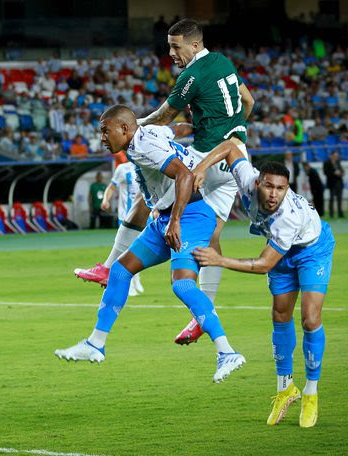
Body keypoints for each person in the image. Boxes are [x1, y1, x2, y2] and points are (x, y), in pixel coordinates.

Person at [74, 18, 255, 344]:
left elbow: (163, 116)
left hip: (208, 158)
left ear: (195, 45)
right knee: (210, 238)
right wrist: (232, 131)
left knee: (154, 194)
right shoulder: (224, 63)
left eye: (176, 46)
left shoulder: (192, 74)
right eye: (169, 46)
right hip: (235, 156)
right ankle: (203, 315)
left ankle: (110, 264)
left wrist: (130, 128)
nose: (170, 53)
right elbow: (249, 102)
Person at [55, 105, 245, 384]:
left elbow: (185, 175)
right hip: (168, 216)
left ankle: (227, 352)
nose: (102, 138)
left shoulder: (144, 147)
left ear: (124, 129)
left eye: (105, 131)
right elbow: (175, 129)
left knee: (182, 285)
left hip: (190, 216)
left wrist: (176, 221)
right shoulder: (149, 132)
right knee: (120, 272)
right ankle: (95, 343)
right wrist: (192, 131)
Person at [190, 143, 334, 428]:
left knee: (309, 319)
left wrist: (220, 260)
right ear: (257, 182)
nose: (273, 194)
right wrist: (200, 168)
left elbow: (264, 264)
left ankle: (310, 392)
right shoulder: (246, 178)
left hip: (312, 250)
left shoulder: (287, 217)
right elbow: (231, 147)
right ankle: (285, 389)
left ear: (287, 189)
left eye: (281, 189)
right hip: (279, 250)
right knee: (280, 316)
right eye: (269, 187)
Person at [97, 160, 144, 296]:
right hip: (126, 217)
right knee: (128, 251)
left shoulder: (147, 165)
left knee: (138, 249)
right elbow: (112, 187)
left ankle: (136, 279)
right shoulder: (123, 169)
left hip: (142, 216)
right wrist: (106, 200)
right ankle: (128, 283)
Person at [323, 150, 345, 217]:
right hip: (332, 183)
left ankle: (340, 213)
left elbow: (342, 170)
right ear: (331, 156)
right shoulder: (326, 163)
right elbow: (326, 172)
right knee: (331, 199)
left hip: (339, 183)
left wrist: (341, 173)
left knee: (339, 199)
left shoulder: (338, 162)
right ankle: (331, 213)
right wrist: (334, 173)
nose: (336, 157)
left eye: (337, 156)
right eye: (335, 156)